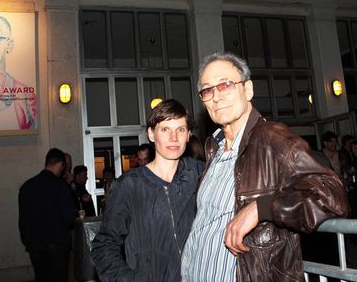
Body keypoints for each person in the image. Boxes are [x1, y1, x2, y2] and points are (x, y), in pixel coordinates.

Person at [181, 52, 349, 281]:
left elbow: (332, 195)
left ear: (248, 90)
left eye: (226, 85)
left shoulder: (272, 138)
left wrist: (262, 207)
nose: (216, 97)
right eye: (208, 90)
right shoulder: (214, 149)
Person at [91, 99, 204, 281]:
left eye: (180, 129)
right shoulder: (129, 185)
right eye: (165, 129)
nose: (173, 138)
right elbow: (104, 245)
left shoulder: (200, 174)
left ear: (189, 135)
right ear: (151, 134)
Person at [18, 148, 77, 282]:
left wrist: (29, 242)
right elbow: (69, 217)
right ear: (60, 164)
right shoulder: (61, 187)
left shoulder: (27, 186)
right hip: (58, 246)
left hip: (35, 246)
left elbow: (23, 221)